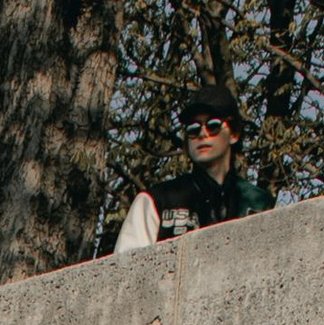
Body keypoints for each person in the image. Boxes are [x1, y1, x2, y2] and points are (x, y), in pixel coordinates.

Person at [113, 83, 274, 250]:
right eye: (193, 128)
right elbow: (126, 263)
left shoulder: (261, 204)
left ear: (234, 134)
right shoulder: (155, 201)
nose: (203, 134)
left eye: (213, 125)